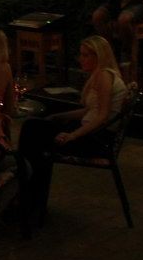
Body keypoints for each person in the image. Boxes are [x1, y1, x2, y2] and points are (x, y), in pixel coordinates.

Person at [19, 36, 128, 218]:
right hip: (93, 133)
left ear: (99, 56)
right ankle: (32, 201)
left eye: (86, 55)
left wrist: (73, 135)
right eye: (81, 54)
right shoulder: (102, 74)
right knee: (35, 128)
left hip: (96, 141)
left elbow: (101, 116)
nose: (80, 59)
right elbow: (90, 110)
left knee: (33, 133)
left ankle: (27, 198)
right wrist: (60, 116)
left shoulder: (104, 76)